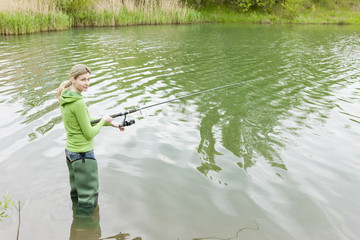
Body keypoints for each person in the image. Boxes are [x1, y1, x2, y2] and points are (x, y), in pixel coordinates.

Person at [56, 64, 123, 216]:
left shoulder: (65, 97)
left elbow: (84, 121)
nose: (87, 83)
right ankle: (85, 229)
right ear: (72, 79)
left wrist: (108, 123)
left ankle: (75, 226)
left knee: (76, 194)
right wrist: (103, 120)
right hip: (83, 155)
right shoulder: (78, 102)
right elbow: (89, 133)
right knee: (88, 199)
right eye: (82, 79)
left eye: (88, 79)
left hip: (70, 153)